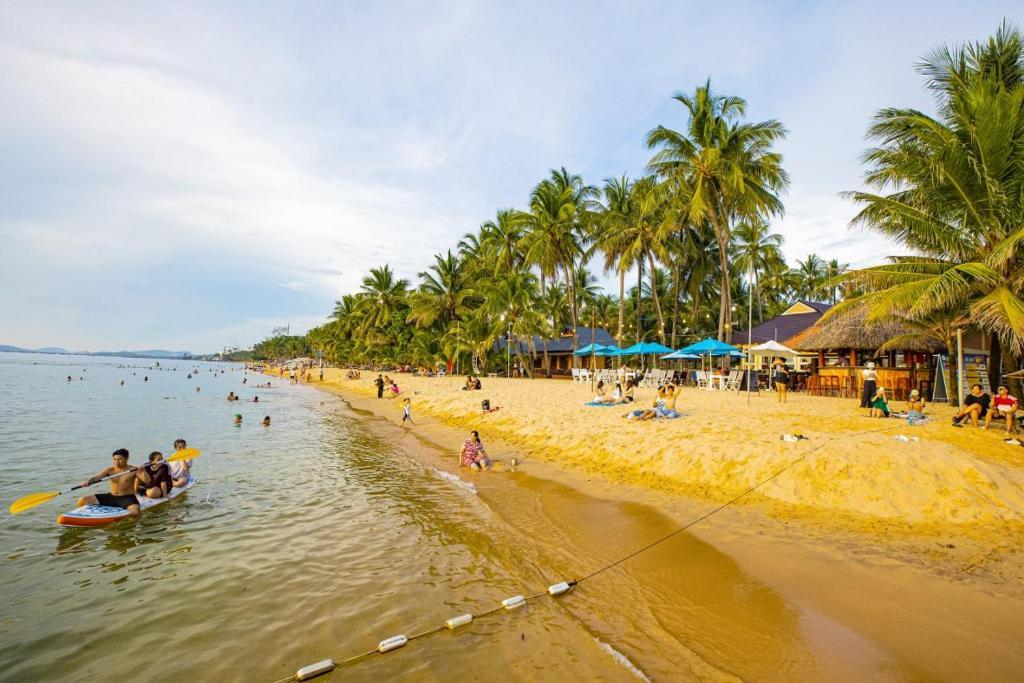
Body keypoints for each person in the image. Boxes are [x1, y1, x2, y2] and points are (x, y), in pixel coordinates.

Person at [75, 449, 150, 515]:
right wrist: (88, 481)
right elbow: (97, 477)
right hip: (111, 497)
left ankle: (134, 528)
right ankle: (82, 516)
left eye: (120, 459)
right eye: (114, 459)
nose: (116, 462)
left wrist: (144, 471)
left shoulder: (134, 469)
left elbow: (147, 480)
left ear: (126, 459)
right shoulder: (110, 470)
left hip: (126, 498)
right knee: (82, 500)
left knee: (136, 511)